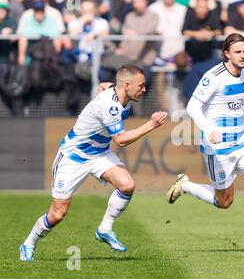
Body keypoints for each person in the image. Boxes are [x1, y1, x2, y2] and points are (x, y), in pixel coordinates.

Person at [19, 65, 168, 262]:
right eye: (141, 85)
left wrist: (99, 92)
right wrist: (152, 124)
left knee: (127, 185)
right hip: (73, 156)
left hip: (99, 153)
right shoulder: (111, 105)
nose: (144, 89)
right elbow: (121, 140)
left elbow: (104, 85)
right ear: (126, 85)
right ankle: (28, 244)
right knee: (58, 213)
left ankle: (105, 229)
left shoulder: (120, 92)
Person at [166, 33, 244, 253]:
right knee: (224, 202)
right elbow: (192, 107)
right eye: (238, 52)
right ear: (226, 54)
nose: (243, 56)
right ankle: (185, 185)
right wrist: (209, 129)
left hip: (243, 141)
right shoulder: (213, 77)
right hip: (219, 148)